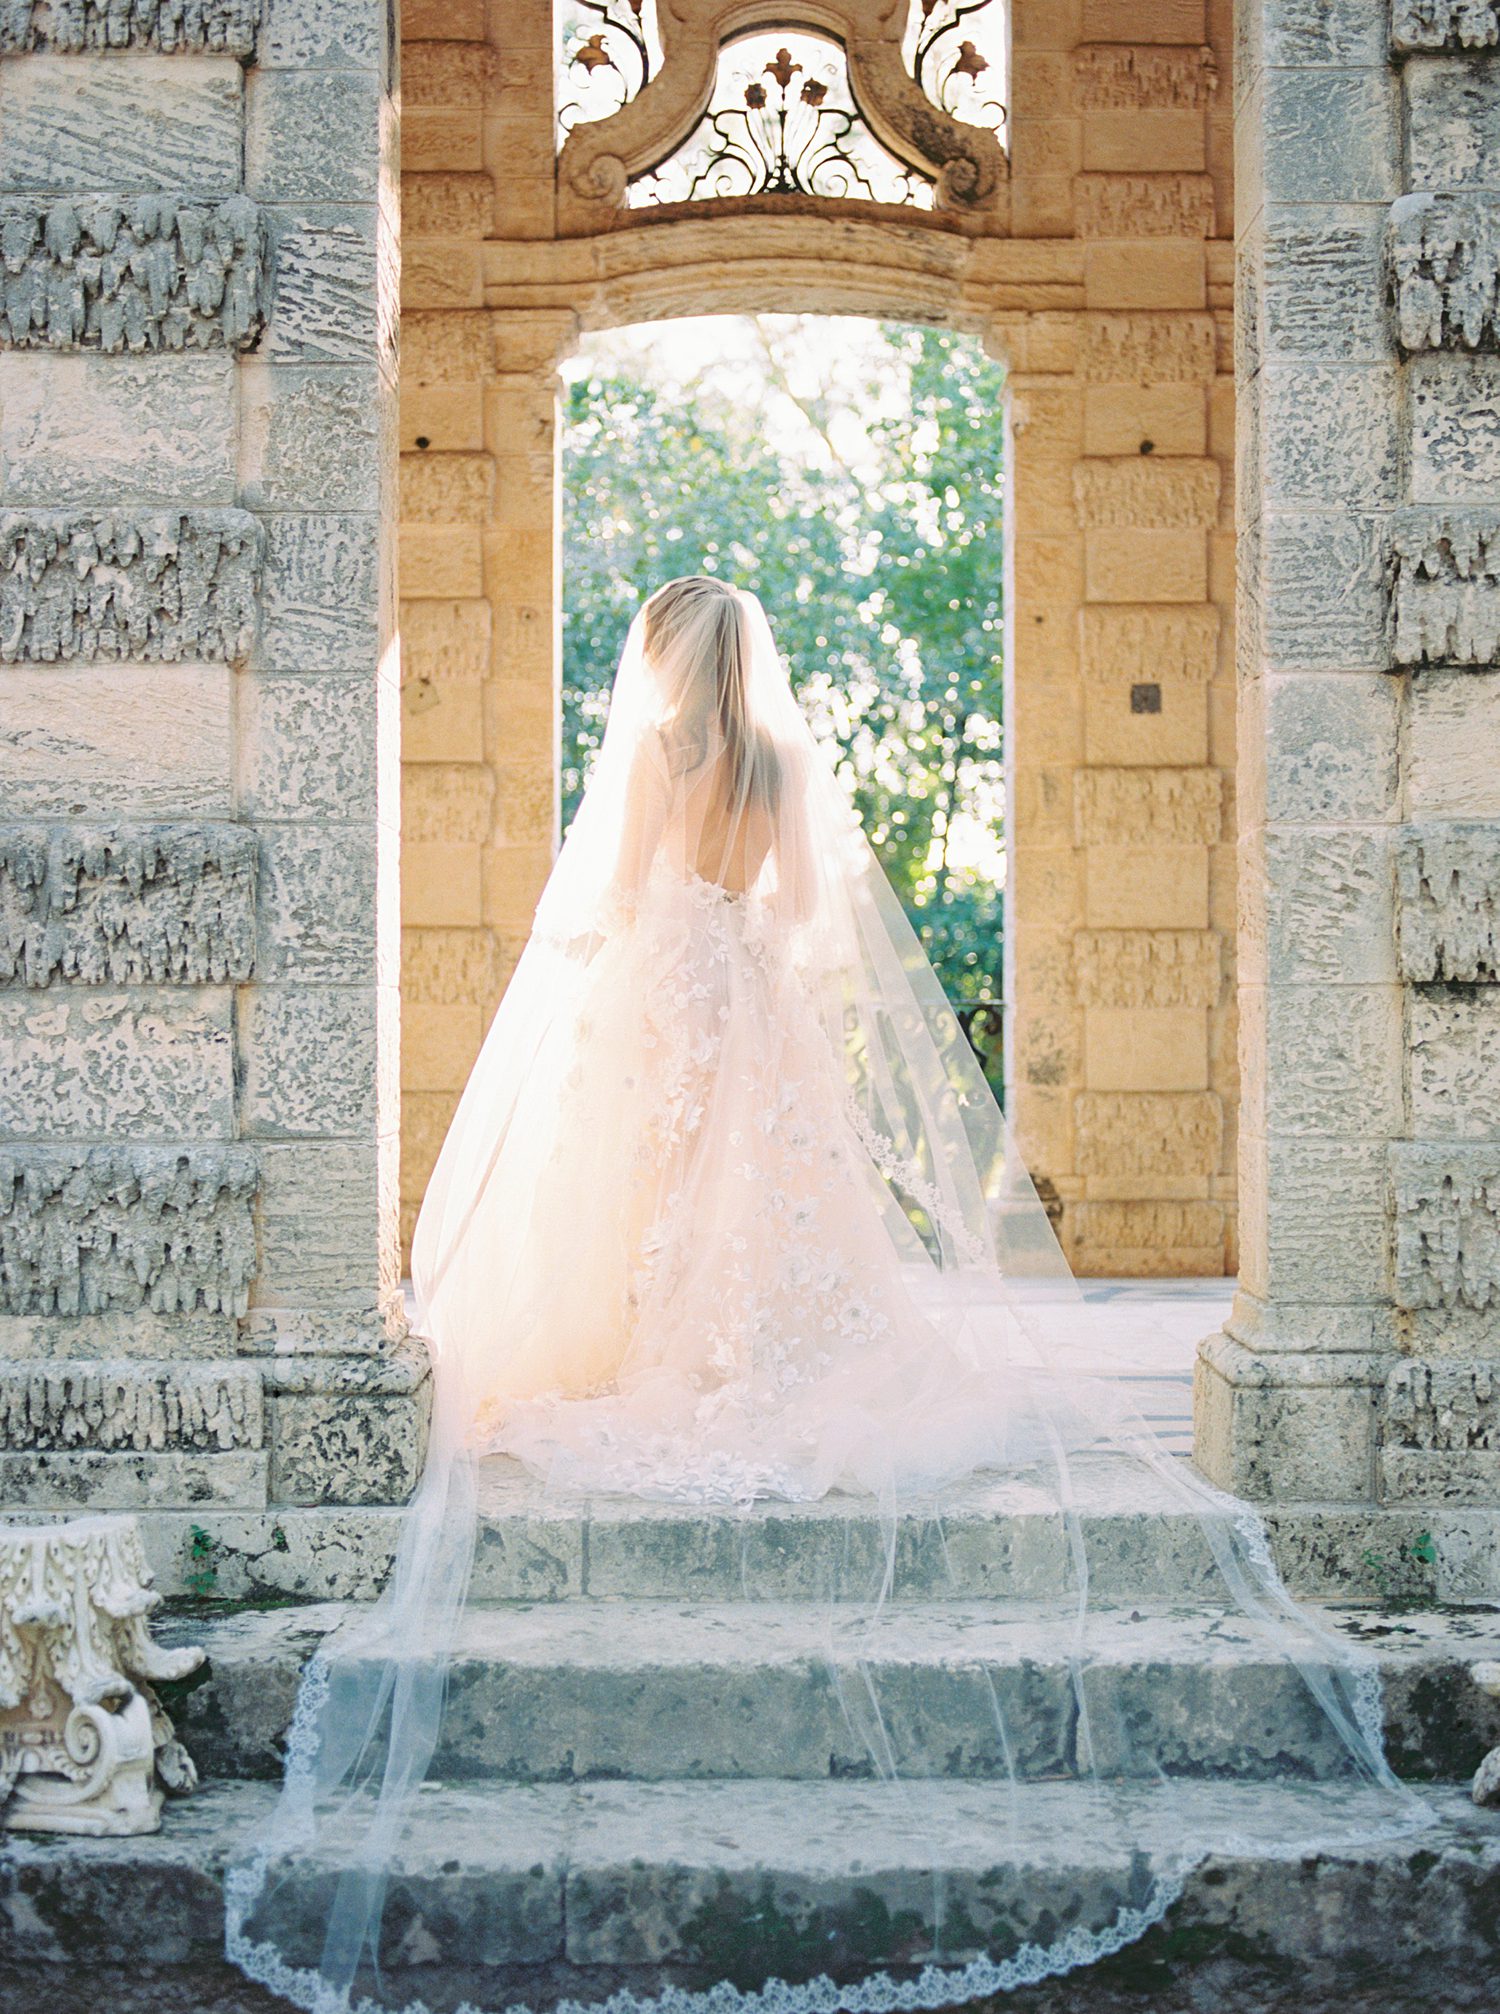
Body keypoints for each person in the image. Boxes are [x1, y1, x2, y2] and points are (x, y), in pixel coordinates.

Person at [228, 578, 1427, 2014]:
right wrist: (738, 930)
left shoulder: (659, 756)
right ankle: (752, 1347)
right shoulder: (781, 763)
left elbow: (613, 894)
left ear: (667, 661)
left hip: (664, 984)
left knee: (654, 1189)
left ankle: (658, 1347)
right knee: (767, 1194)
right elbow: (803, 906)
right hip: (750, 987)